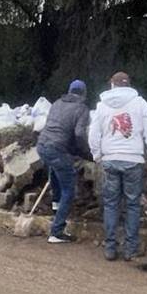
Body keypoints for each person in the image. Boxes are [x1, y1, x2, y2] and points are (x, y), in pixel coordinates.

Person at [89, 71, 147, 261]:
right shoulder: (140, 103)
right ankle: (131, 249)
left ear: (112, 84)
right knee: (133, 205)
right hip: (133, 160)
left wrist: (97, 156)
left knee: (111, 204)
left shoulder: (102, 105)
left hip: (110, 159)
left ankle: (110, 248)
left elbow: (93, 133)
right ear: (128, 85)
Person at [37, 79, 91, 244]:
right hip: (57, 149)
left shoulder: (56, 103)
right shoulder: (82, 109)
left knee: (54, 170)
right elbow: (80, 134)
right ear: (84, 93)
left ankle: (55, 205)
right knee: (69, 189)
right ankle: (57, 231)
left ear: (69, 91)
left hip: (42, 145)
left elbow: (55, 127)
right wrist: (85, 152)